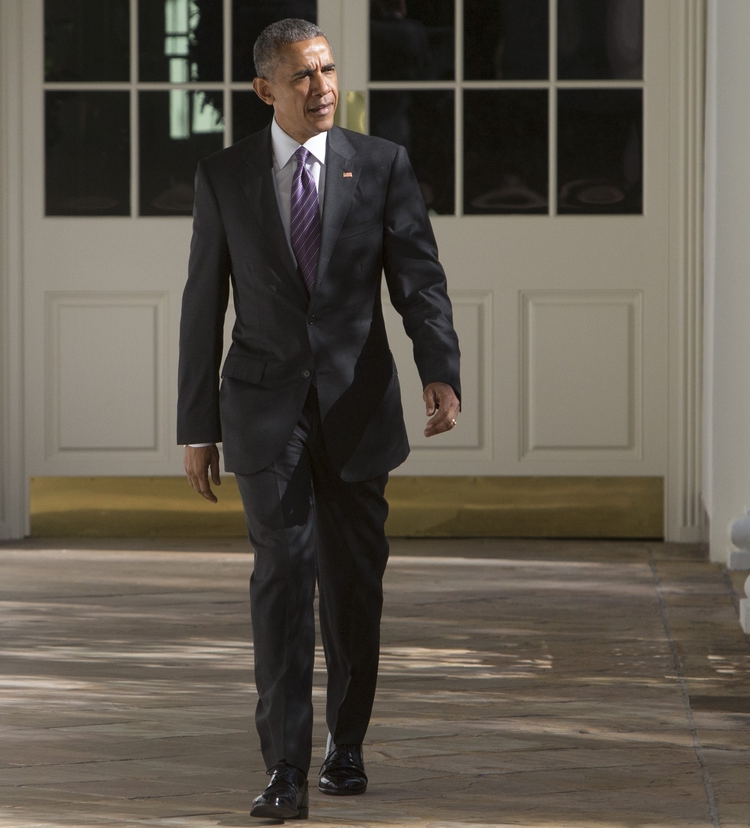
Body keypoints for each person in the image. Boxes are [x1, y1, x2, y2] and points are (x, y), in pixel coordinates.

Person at [177, 18, 461, 821]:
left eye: (328, 70)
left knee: (352, 587)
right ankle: (284, 770)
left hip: (358, 408)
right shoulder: (224, 175)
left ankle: (346, 744)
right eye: (303, 76)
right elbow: (203, 305)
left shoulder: (380, 166)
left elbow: (420, 280)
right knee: (281, 580)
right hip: (264, 408)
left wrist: (439, 368)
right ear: (266, 88)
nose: (323, 87)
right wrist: (197, 424)